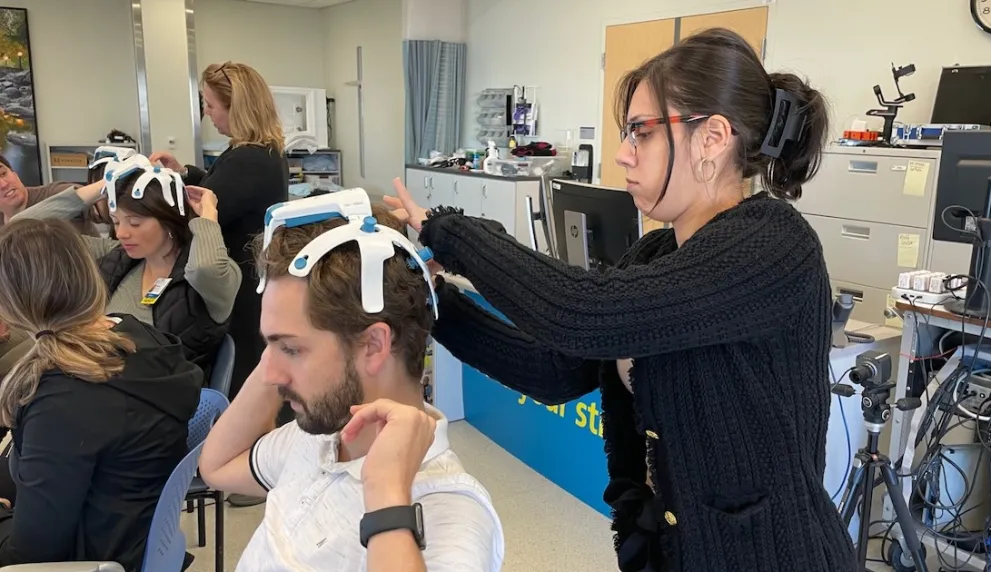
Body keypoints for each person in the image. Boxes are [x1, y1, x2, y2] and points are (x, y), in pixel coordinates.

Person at [385, 28, 857, 572]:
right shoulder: (657, 251)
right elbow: (554, 370)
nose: (623, 154)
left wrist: (451, 232)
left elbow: (585, 313)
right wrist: (427, 299)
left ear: (713, 138)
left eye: (641, 133)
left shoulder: (774, 244)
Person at [198, 201, 503, 571]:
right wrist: (279, 346)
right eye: (270, 347)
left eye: (292, 348)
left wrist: (387, 498)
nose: (272, 375)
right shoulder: (317, 437)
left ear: (373, 345)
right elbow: (216, 467)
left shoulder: (451, 515)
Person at [0, 218, 202, 570]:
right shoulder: (135, 332)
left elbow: (32, 553)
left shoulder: (63, 397)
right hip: (131, 532)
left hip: (88, 558)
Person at [13, 159, 241, 377]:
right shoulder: (117, 257)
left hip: (163, 400)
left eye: (134, 223)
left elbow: (204, 269)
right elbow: (20, 231)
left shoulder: (212, 277)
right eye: (115, 221)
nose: (122, 233)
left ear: (169, 219)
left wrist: (208, 216)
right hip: (98, 383)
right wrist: (107, 184)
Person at [150, 61, 289, 403]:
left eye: (211, 105)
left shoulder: (251, 160)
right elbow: (219, 190)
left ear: (237, 108)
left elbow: (210, 207)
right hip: (244, 281)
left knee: (240, 381)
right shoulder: (251, 151)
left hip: (236, 290)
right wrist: (184, 173)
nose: (208, 113)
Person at [0, 154, 97, 235]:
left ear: (15, 174)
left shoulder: (55, 193)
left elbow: (100, 204)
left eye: (3, 173)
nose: (4, 184)